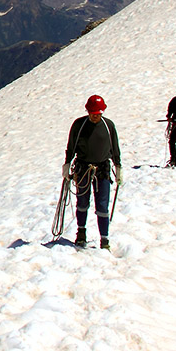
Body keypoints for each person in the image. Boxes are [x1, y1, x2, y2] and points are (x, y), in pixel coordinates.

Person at [63, 95, 122, 249]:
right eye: (93, 114)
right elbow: (72, 146)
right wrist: (67, 164)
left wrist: (118, 167)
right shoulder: (79, 125)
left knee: (102, 206)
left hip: (102, 169)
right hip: (83, 168)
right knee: (82, 203)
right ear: (88, 111)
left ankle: (104, 240)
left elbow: (114, 148)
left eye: (98, 114)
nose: (96, 116)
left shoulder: (108, 126)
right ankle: (81, 233)